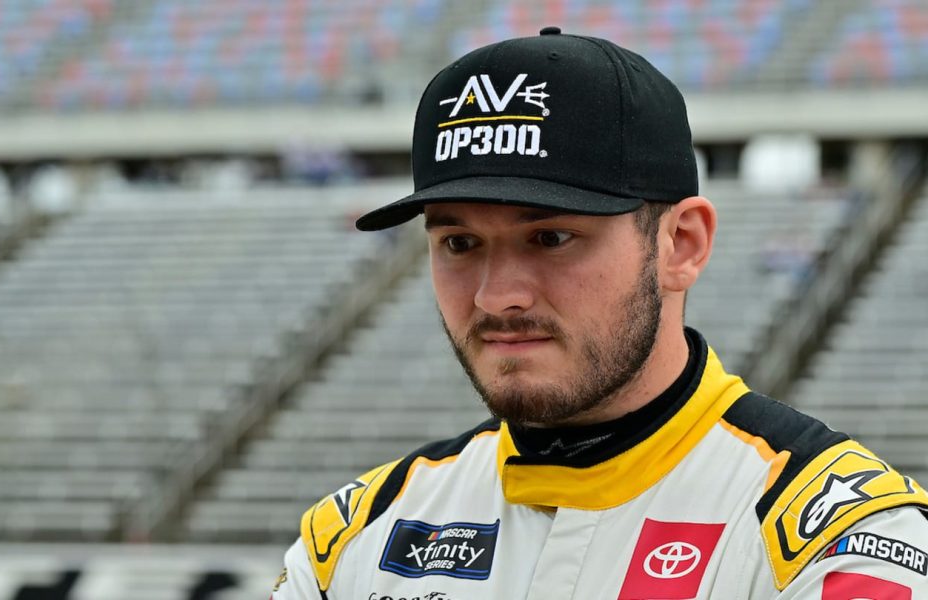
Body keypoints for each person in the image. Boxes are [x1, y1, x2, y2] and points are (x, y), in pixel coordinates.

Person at [271, 28, 928, 599]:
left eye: (551, 237)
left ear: (681, 245)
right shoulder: (356, 537)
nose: (497, 297)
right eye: (460, 244)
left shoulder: (840, 542)